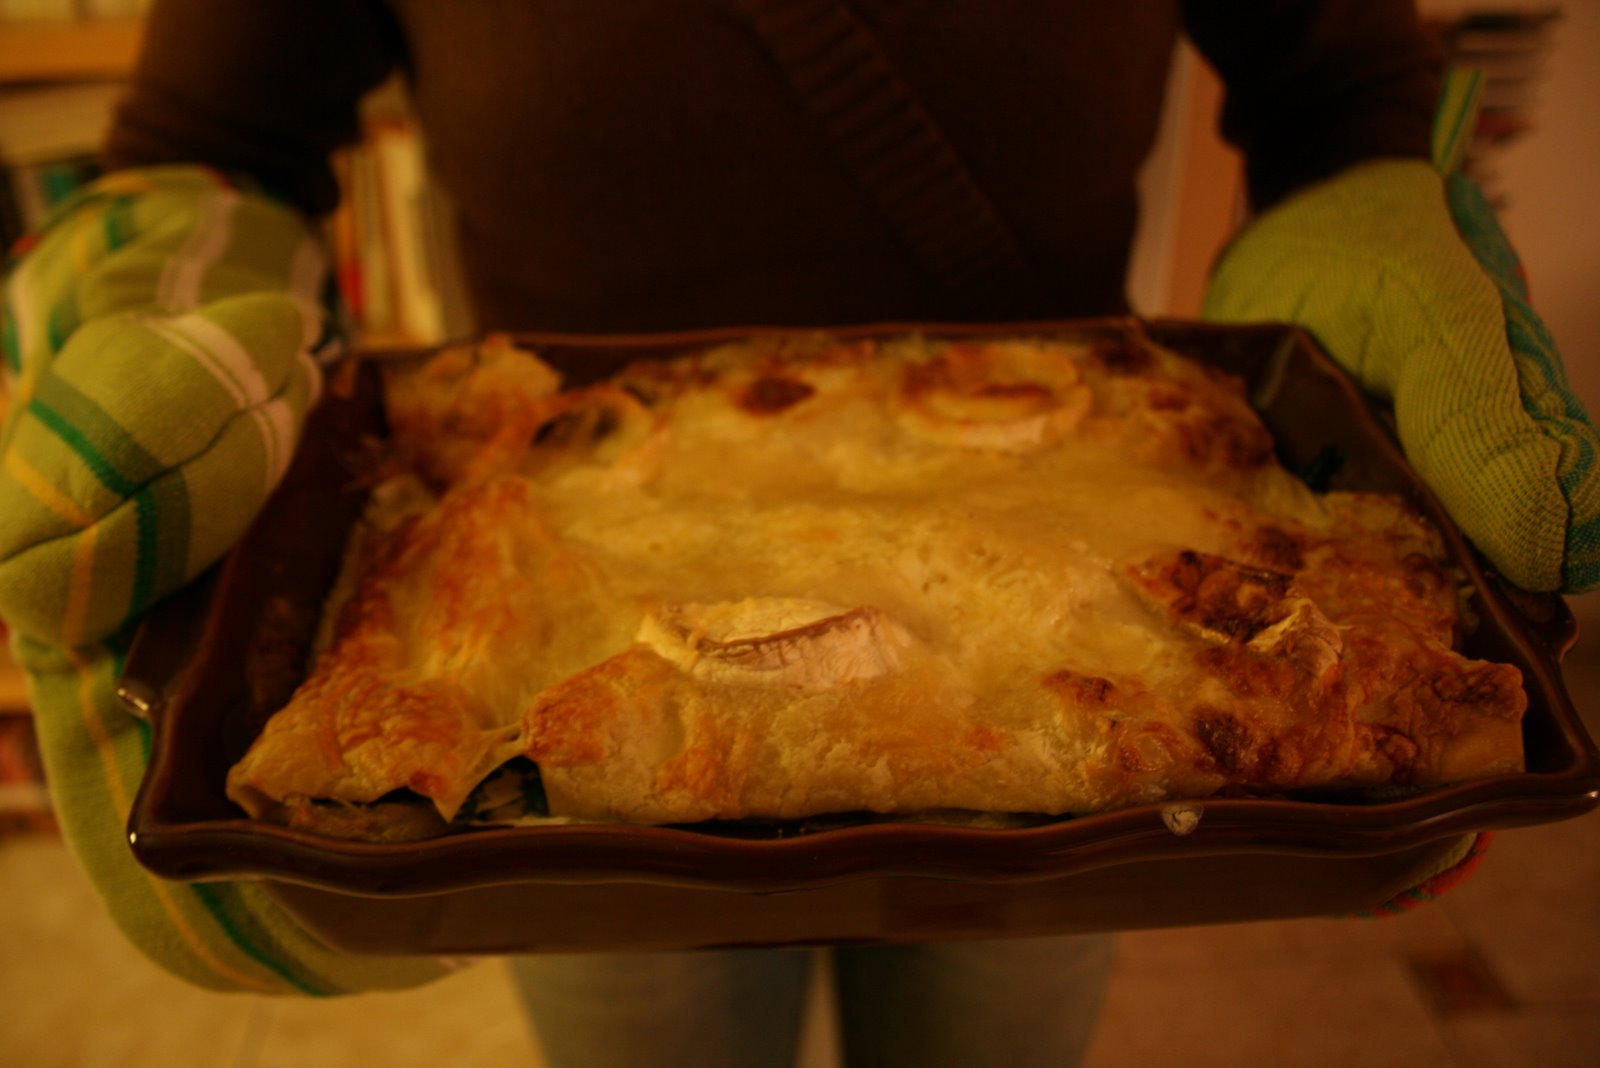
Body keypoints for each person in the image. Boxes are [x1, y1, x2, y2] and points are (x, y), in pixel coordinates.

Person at [1, 3, 1594, 1067]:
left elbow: (1340, 85)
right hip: (520, 592)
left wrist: (1369, 219)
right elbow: (211, 134)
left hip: (1120, 597)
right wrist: (178, 297)